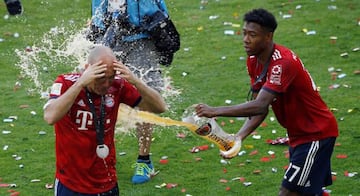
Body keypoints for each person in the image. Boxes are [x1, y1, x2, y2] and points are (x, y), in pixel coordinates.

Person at [195, 8, 339, 196]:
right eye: (244, 33)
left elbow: (260, 105)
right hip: (299, 135)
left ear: (268, 36)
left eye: (252, 35)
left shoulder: (283, 63)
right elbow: (259, 110)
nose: (246, 39)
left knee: (288, 192)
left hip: (316, 135)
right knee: (308, 191)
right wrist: (238, 137)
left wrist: (214, 111)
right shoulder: (254, 61)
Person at [43, 45, 167, 195]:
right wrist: (81, 83)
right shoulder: (65, 83)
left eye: (111, 77)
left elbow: (159, 107)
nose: (106, 84)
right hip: (71, 184)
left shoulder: (118, 86)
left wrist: (136, 82)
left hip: (107, 183)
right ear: (88, 69)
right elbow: (50, 117)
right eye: (101, 78)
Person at [87, 0, 175, 184]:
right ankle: (97, 155)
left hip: (143, 39)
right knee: (97, 92)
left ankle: (144, 160)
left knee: (145, 100)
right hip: (110, 39)